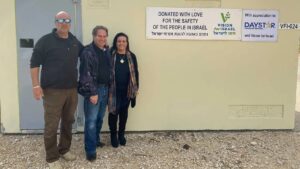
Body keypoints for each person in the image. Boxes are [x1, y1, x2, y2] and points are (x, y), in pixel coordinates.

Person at [30, 11, 83, 169]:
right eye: (60, 20)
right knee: (52, 124)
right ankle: (52, 157)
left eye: (67, 20)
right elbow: (34, 64)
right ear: (55, 23)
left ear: (70, 23)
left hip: (71, 90)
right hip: (52, 91)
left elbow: (86, 54)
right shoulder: (45, 41)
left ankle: (64, 149)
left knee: (68, 121)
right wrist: (35, 86)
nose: (64, 23)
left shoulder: (74, 41)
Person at [78, 26, 111, 161]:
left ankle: (96, 140)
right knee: (91, 121)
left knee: (99, 118)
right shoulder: (88, 52)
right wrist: (92, 92)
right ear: (93, 36)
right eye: (99, 36)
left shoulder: (106, 51)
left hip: (105, 89)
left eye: (104, 36)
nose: (102, 38)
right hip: (94, 91)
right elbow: (85, 75)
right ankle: (90, 150)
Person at [108, 32, 139, 148]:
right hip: (113, 92)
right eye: (119, 41)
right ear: (115, 43)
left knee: (124, 114)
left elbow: (136, 73)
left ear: (127, 43)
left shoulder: (132, 56)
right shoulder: (110, 55)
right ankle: (113, 135)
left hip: (127, 91)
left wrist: (135, 93)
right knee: (113, 114)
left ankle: (121, 134)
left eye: (124, 41)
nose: (121, 43)